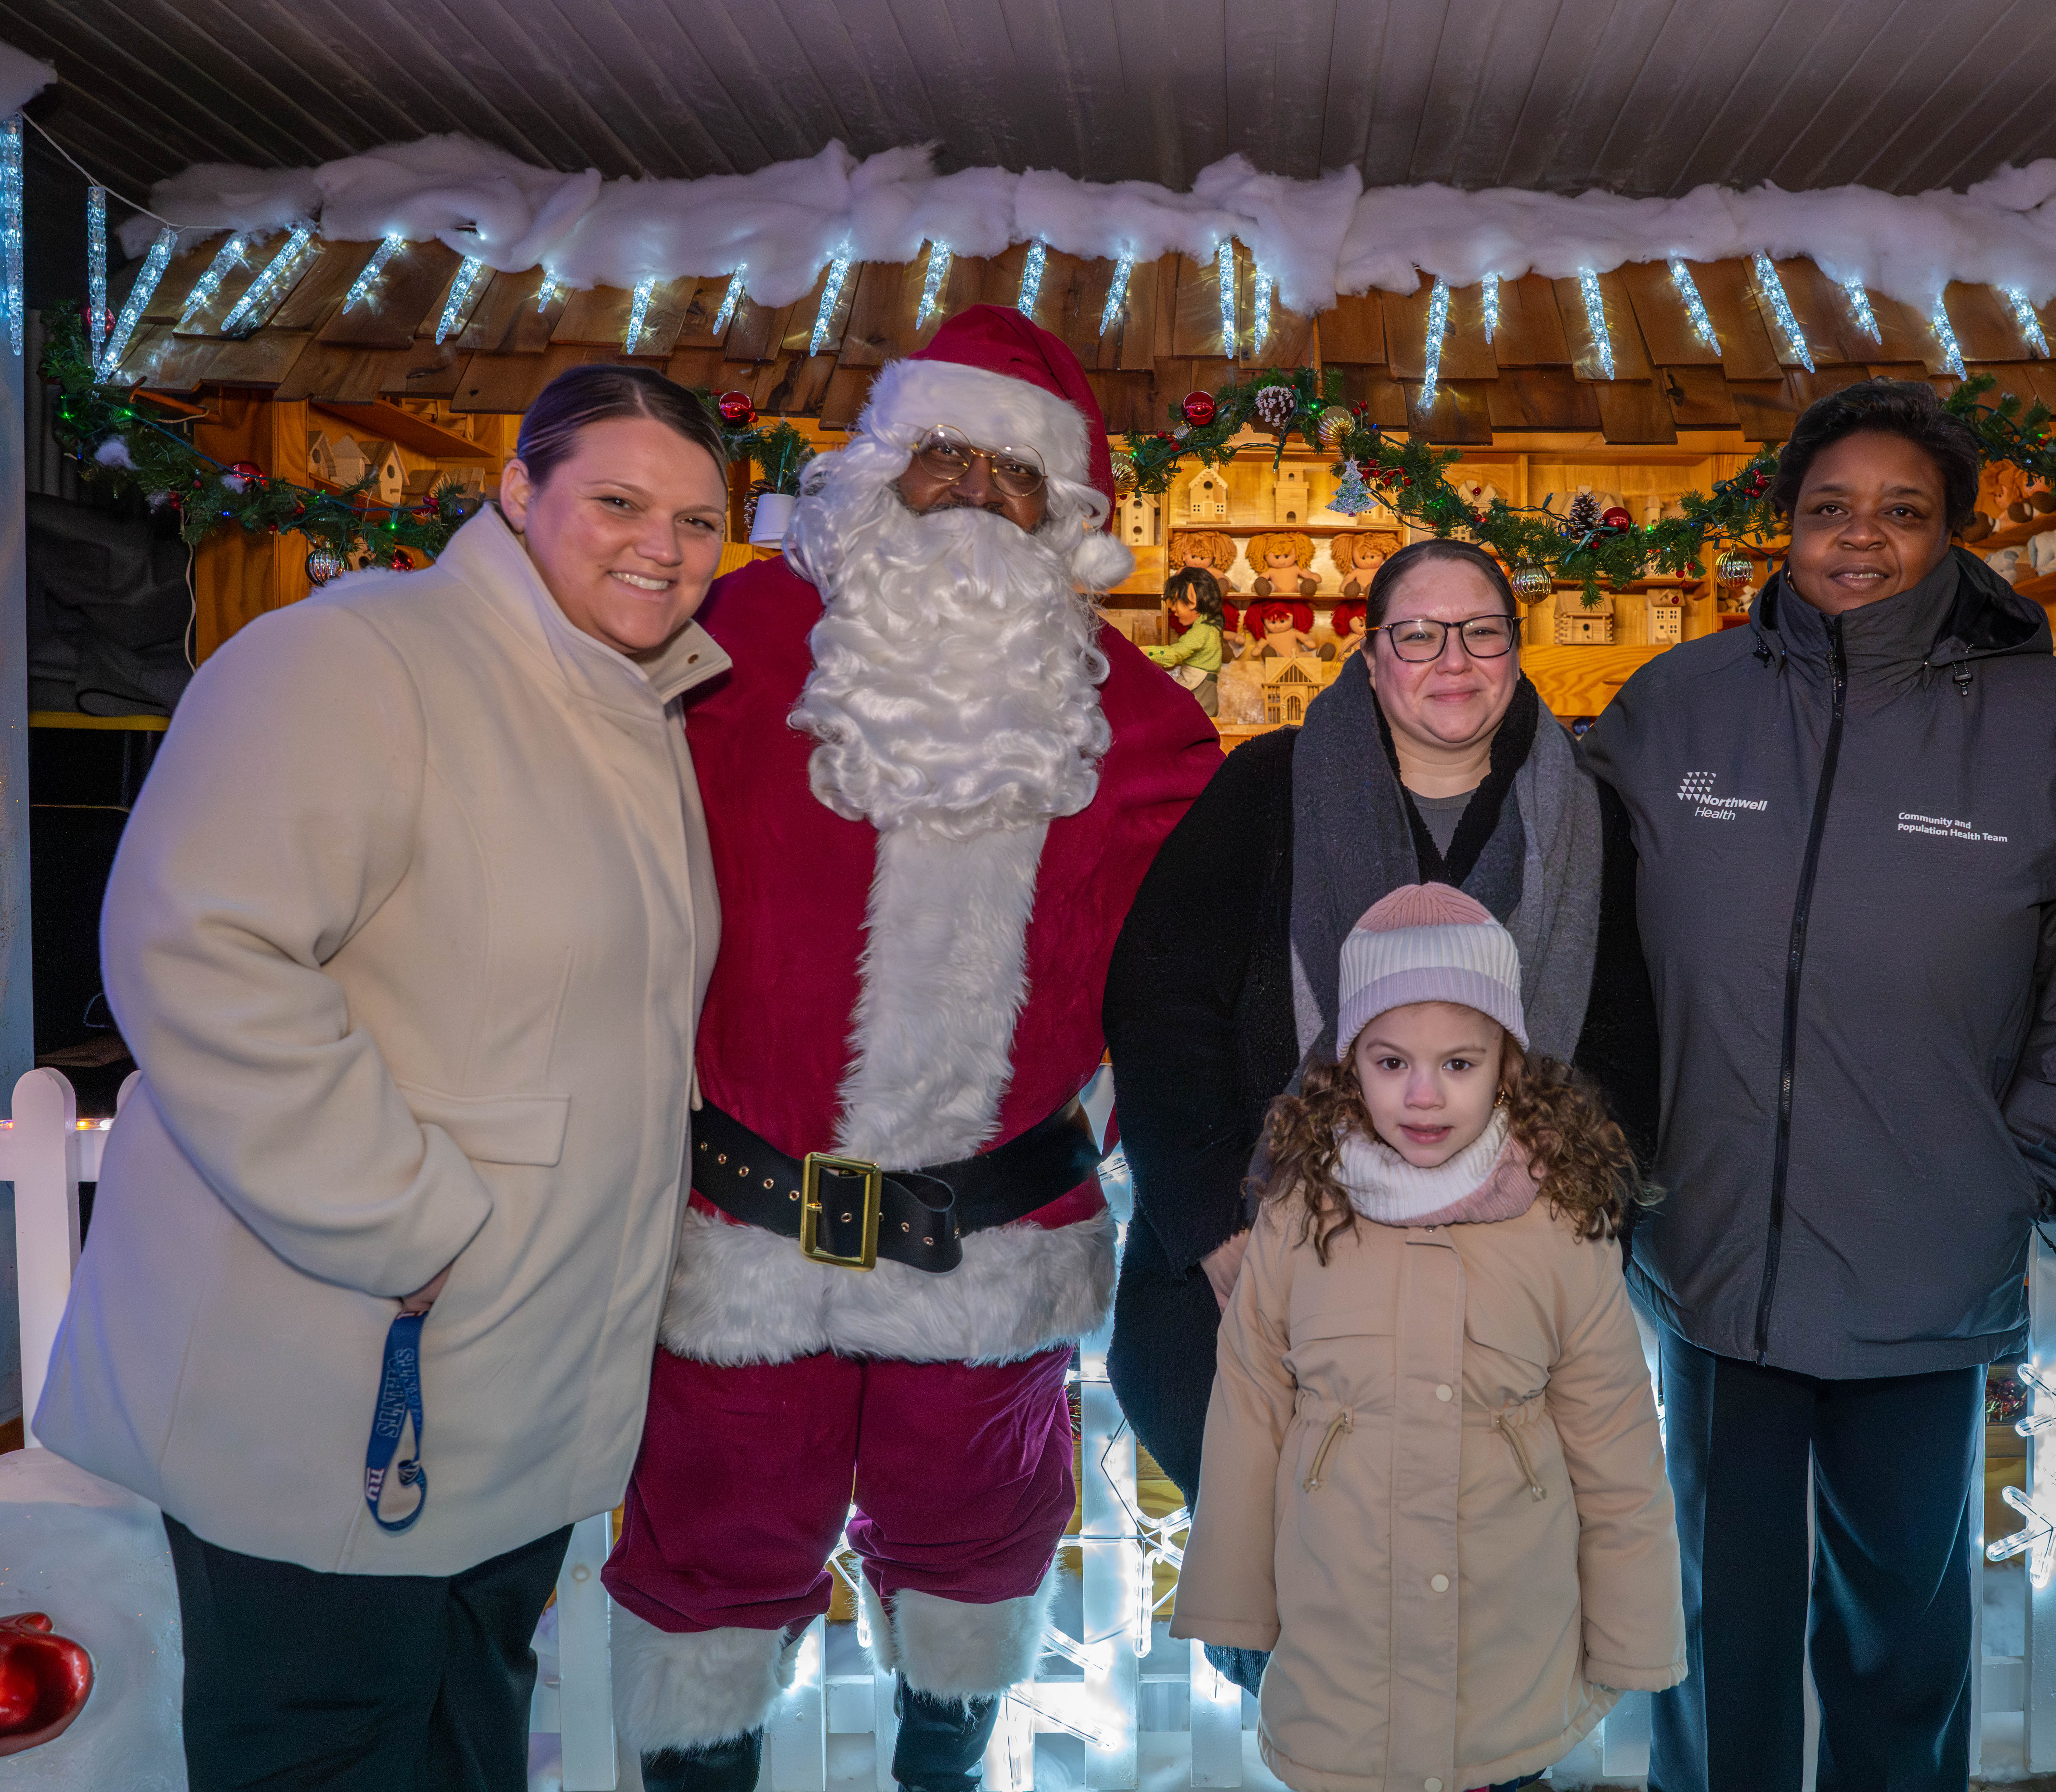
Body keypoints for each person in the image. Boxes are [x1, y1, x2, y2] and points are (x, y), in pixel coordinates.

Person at [36, 363, 734, 1789]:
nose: (662, 545)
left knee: (463, 1740)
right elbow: (199, 948)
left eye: (700, 519)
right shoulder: (361, 662)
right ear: (519, 493)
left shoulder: (628, 707)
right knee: (327, 1743)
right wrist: (401, 1222)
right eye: (617, 500)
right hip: (346, 1359)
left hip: (514, 1383)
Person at [595, 306, 1218, 1792]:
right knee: (712, 1565)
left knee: (978, 1560)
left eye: (1015, 480)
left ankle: (944, 1770)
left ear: (1068, 517)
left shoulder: (1137, 721)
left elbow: (1183, 972)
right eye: (941, 461)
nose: (972, 501)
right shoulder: (726, 651)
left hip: (991, 1247)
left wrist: (1113, 1126)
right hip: (738, 1231)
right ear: (879, 474)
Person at [1578, 377, 2056, 1791]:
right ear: (1783, 525)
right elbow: (1577, 940)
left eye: (1902, 512)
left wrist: (2023, 1164)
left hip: (1920, 1248)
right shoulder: (1675, 706)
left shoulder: (2041, 726)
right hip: (1715, 1251)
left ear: (1954, 536)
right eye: (1830, 508)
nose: (1860, 539)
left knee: (1901, 1626)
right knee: (1721, 1621)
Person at [1103, 537, 1657, 1518]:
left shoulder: (1588, 815)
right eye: (1419, 635)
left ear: (1516, 651)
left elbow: (1623, 1036)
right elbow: (1161, 1001)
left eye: (1482, 633)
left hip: (1505, 1286)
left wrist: (1573, 1234)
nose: (1454, 660)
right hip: (1265, 1261)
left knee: (1464, 1582)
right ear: (1370, 658)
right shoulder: (1267, 788)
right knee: (1280, 1584)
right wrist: (1212, 1226)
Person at [1173, 885, 1683, 1792]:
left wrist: (1631, 1627)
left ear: (1505, 1064)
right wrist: (1234, 1607)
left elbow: (1613, 1436)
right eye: (1390, 1060)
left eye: (1457, 1061)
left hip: (1506, 1658)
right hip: (1343, 1654)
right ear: (1348, 1064)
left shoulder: (1557, 1220)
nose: (1422, 1093)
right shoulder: (1301, 1209)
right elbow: (1250, 1408)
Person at [1148, 564, 1228, 714]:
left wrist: (1145, 652)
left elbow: (1175, 654)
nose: (1173, 608)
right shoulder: (1207, 627)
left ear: (1193, 600)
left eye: (1177, 601)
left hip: (1199, 686)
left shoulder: (1202, 630)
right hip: (1199, 684)